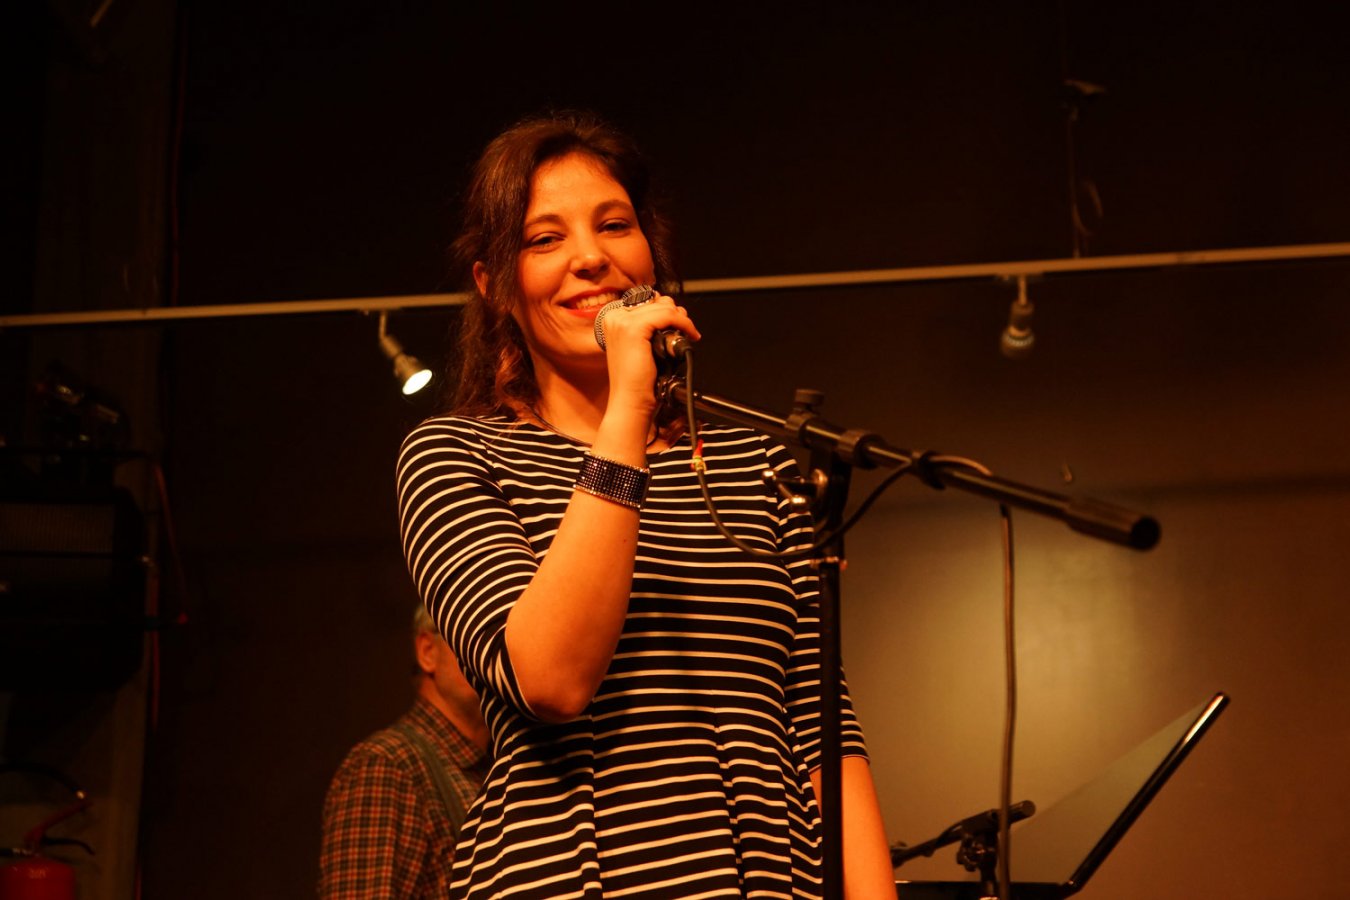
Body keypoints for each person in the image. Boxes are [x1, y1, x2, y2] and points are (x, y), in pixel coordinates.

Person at [396, 110, 895, 898]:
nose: (590, 257)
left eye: (614, 226)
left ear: (650, 254)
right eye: (544, 239)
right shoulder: (456, 456)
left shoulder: (754, 464)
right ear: (495, 287)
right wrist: (628, 403)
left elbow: (823, 731)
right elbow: (552, 680)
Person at [318, 605, 491, 899]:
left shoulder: (498, 768)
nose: (499, 657)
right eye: (483, 637)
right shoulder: (386, 767)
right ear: (427, 651)